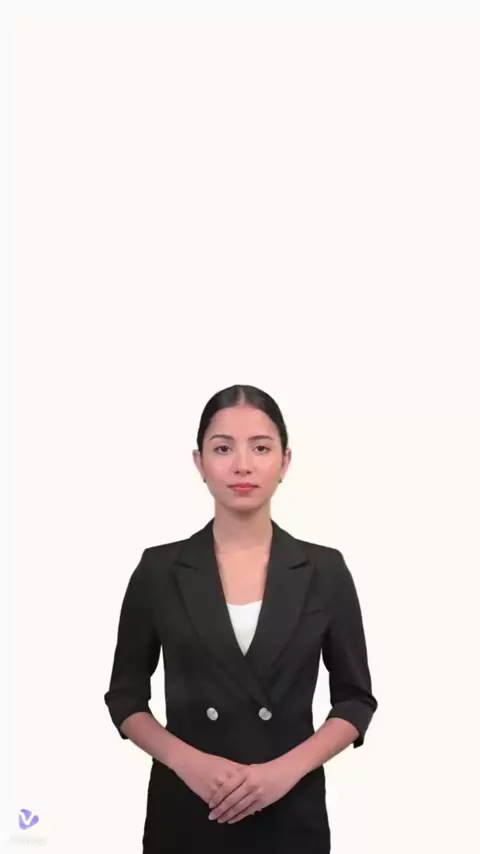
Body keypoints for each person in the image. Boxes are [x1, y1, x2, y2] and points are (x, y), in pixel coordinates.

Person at [104, 384, 378, 853]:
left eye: (261, 448)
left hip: (290, 811)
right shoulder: (159, 569)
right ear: (199, 463)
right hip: (186, 808)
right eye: (223, 448)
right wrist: (188, 763)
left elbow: (355, 701)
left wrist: (285, 771)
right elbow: (125, 697)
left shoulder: (325, 570)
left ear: (285, 462)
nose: (242, 465)